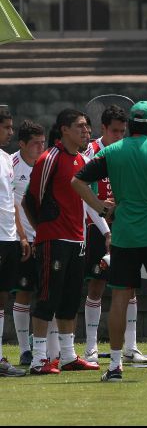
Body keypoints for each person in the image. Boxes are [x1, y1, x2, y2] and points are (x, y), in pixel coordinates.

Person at [73, 101, 147, 382]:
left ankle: (115, 365)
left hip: (125, 235)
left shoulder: (113, 151)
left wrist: (101, 206)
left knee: (118, 299)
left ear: (130, 125)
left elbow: (77, 182)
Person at [23, 109, 100, 375]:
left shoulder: (82, 159)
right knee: (47, 299)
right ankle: (38, 359)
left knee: (70, 301)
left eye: (87, 127)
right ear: (64, 129)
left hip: (77, 240)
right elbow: (30, 199)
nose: (86, 131)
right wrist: (44, 232)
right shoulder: (49, 158)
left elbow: (86, 201)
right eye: (80, 126)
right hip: (53, 240)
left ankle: (68, 356)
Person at [80, 105, 147, 365]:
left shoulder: (130, 150)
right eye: (115, 131)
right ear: (103, 129)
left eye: (123, 131)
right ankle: (91, 347)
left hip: (128, 225)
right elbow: (84, 192)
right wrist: (105, 227)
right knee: (96, 285)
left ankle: (131, 347)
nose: (119, 136)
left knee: (130, 287)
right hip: (98, 226)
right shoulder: (91, 152)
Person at [10, 120, 45, 367]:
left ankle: (45, 346)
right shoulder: (11, 165)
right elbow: (11, 205)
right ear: (22, 144)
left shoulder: (47, 164)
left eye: (43, 143)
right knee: (23, 293)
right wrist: (23, 237)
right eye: (35, 144)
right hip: (23, 241)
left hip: (48, 239)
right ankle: (24, 349)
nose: (39, 148)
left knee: (48, 293)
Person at [0, 110, 28, 377]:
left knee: (2, 297)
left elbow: (12, 201)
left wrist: (20, 234)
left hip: (8, 237)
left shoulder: (7, 159)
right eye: (7, 127)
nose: (11, 132)